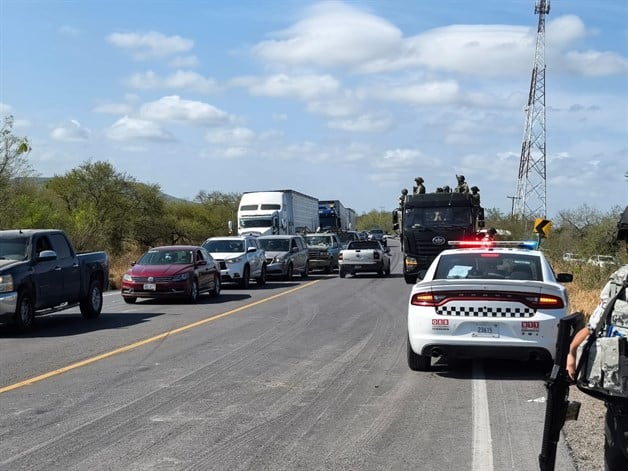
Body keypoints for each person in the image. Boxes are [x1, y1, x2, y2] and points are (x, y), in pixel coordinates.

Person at [566, 219, 628, 471]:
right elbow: (595, 325)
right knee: (616, 459)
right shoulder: (620, 280)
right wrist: (571, 352)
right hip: (620, 398)